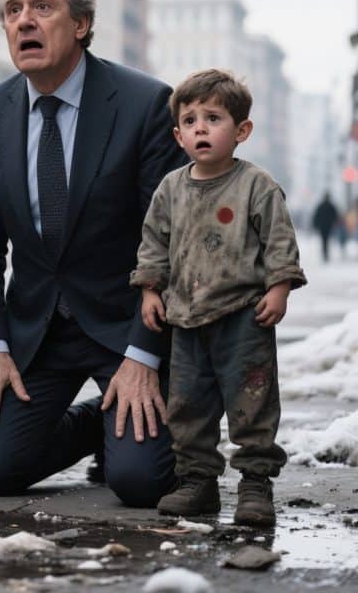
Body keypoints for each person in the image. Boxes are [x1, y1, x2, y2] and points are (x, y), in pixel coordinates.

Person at [0, 0, 185, 506]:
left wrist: (144, 357)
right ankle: (96, 423)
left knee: (139, 482)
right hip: (37, 331)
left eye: (42, 6)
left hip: (125, 325)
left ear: (81, 24)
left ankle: (164, 415)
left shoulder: (144, 103)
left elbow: (169, 245)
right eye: (13, 10)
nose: (24, 21)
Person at [131, 69, 307, 526]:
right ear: (178, 135)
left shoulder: (256, 185)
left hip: (244, 319)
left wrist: (279, 286)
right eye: (190, 121)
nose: (201, 128)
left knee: (252, 403)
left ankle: (255, 482)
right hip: (185, 320)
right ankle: (197, 481)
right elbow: (153, 243)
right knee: (187, 407)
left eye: (213, 118)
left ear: (242, 130)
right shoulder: (171, 189)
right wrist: (151, 290)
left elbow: (279, 241)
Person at [312, 192, 338, 262]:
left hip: (322, 226)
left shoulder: (321, 206)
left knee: (324, 240)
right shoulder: (331, 206)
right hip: (328, 226)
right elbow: (335, 216)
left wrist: (315, 225)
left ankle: (324, 253)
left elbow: (316, 216)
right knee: (327, 240)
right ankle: (326, 253)